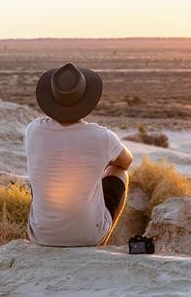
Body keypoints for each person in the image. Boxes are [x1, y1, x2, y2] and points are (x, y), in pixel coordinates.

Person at [24, 63, 132, 246]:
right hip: (87, 237)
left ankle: (53, 228)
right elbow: (126, 161)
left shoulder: (33, 130)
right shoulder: (102, 137)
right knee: (119, 172)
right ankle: (102, 240)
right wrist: (98, 165)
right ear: (86, 100)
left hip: (41, 236)